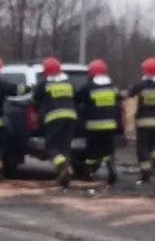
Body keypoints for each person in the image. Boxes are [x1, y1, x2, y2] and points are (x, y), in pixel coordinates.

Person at [123, 57, 155, 182]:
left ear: (145, 70)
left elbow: (127, 94)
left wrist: (116, 95)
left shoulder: (141, 85)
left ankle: (146, 173)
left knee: (143, 148)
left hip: (143, 122)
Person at [33, 57, 78, 187]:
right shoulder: (68, 82)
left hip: (53, 118)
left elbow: (35, 99)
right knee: (65, 146)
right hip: (71, 117)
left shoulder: (44, 83)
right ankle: (66, 172)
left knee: (51, 146)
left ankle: (62, 164)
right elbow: (75, 97)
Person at [75, 59, 121, 184]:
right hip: (110, 126)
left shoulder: (88, 87)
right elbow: (119, 103)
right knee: (108, 151)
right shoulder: (113, 88)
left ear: (92, 73)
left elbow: (76, 99)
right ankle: (111, 170)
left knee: (92, 152)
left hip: (93, 126)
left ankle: (88, 174)